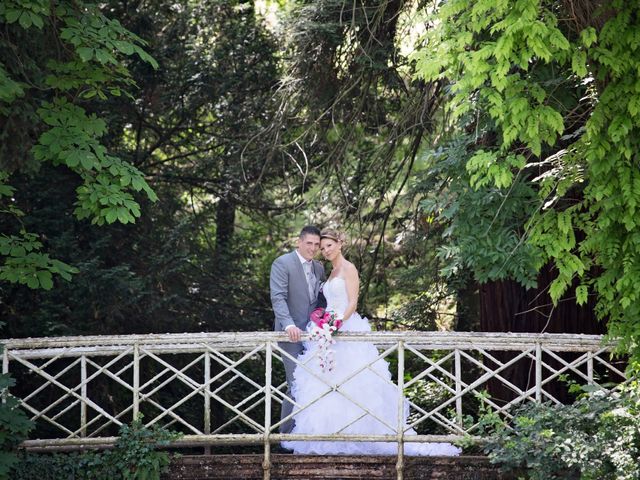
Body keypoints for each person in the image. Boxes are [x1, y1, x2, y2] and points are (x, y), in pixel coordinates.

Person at [281, 228, 461, 456]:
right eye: (322, 247)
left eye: (329, 245)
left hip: (345, 328)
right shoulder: (330, 271)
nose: (325, 250)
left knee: (353, 380)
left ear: (340, 243)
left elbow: (352, 303)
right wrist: (323, 323)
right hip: (326, 332)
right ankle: (329, 436)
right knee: (325, 383)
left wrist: (335, 324)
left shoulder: (349, 269)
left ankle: (361, 435)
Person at [270, 225, 326, 434]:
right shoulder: (282, 263)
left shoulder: (319, 268)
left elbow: (319, 301)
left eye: (316, 245)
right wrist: (289, 324)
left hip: (314, 336)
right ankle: (285, 438)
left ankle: (307, 434)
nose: (312, 248)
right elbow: (278, 297)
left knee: (314, 384)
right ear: (299, 242)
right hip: (291, 334)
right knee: (295, 383)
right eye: (309, 243)